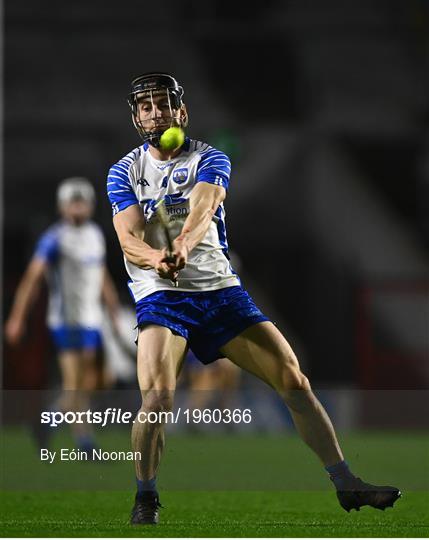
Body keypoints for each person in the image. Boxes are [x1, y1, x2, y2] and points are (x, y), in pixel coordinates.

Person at [107, 73, 401, 525]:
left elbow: (204, 207)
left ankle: (347, 484)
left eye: (163, 104)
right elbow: (127, 239)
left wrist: (182, 246)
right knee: (158, 399)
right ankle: (145, 497)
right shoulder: (123, 171)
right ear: (135, 117)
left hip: (221, 292)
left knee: (295, 381)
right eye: (146, 107)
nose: (156, 113)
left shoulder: (210, 157)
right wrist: (155, 259)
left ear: (181, 112)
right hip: (162, 296)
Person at [5, 177, 120, 453]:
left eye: (82, 202)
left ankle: (49, 420)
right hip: (66, 319)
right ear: (62, 207)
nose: (78, 208)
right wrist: (17, 317)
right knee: (75, 384)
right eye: (73, 202)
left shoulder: (95, 234)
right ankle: (85, 443)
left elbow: (100, 272)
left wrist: (112, 304)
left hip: (92, 318)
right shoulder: (55, 237)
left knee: (97, 382)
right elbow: (32, 278)